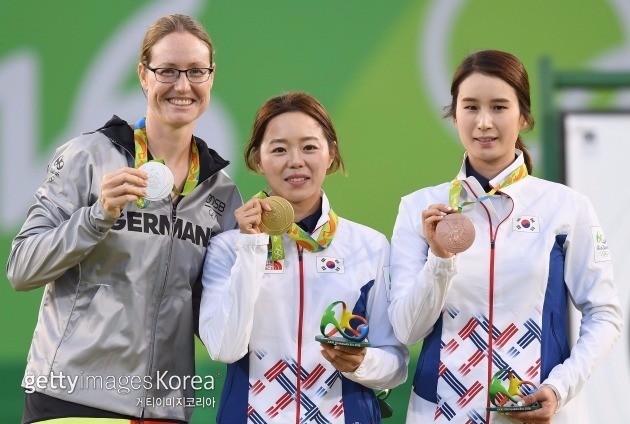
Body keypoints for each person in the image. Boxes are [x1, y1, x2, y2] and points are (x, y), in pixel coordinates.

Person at [6, 14, 242, 424]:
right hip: (74, 398)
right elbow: (21, 268)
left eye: (196, 71)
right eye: (167, 70)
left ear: (211, 76)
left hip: (166, 409)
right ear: (143, 75)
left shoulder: (220, 193)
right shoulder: (88, 156)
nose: (182, 85)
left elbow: (216, 318)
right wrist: (97, 216)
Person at [388, 50, 622, 423]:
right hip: (440, 414)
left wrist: (560, 387)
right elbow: (406, 328)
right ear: (454, 115)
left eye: (498, 107)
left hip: (538, 412)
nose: (483, 122)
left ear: (523, 117)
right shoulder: (421, 208)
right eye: (470, 107)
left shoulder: (566, 208)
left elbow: (605, 313)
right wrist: (440, 260)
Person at [199, 91, 408, 423]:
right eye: (279, 149)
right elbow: (224, 348)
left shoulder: (370, 246)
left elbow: (395, 364)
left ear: (331, 154)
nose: (295, 161)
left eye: (309, 147)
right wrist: (253, 247)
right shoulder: (227, 248)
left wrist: (362, 363)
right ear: (257, 159)